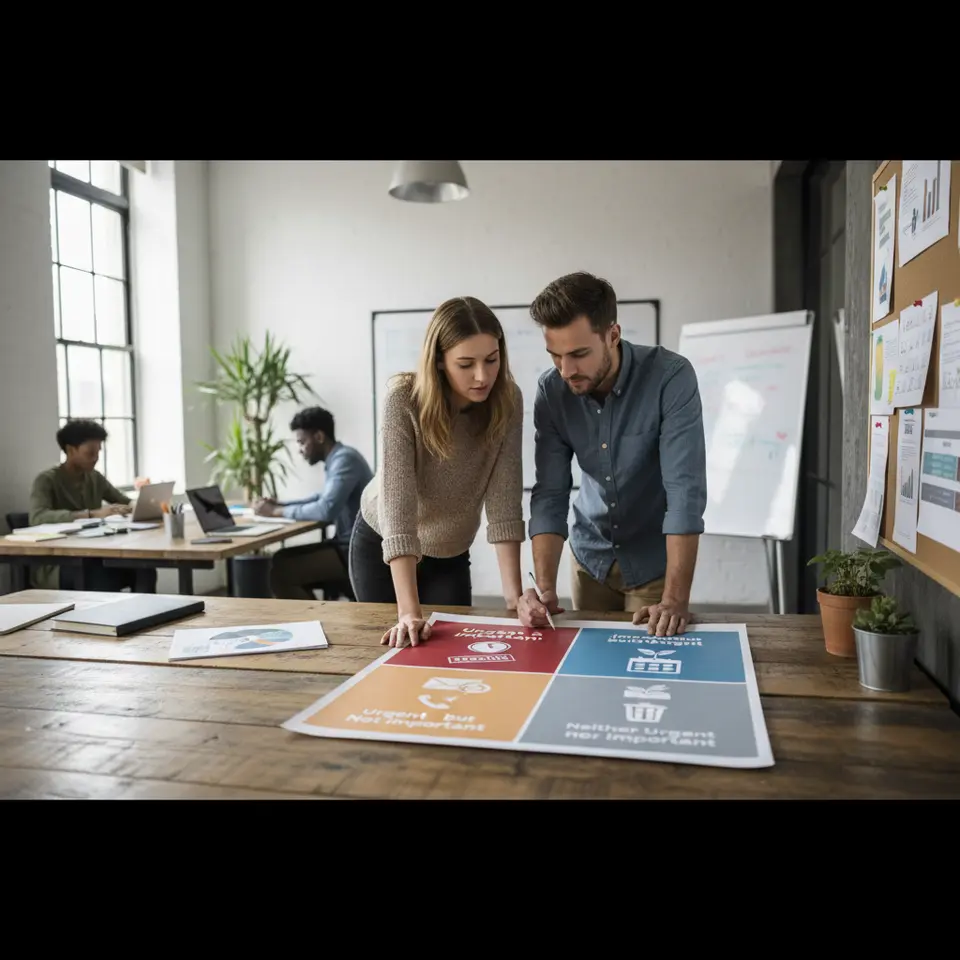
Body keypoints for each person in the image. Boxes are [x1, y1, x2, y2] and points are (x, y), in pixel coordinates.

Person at [516, 272, 707, 637]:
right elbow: (551, 493)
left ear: (613, 335)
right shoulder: (551, 390)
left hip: (653, 564)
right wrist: (543, 590)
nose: (566, 371)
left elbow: (685, 492)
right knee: (588, 667)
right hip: (588, 557)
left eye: (579, 354)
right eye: (555, 355)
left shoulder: (671, 378)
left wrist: (675, 600)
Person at [350, 296, 525, 648]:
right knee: (393, 649)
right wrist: (408, 612)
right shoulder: (403, 399)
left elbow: (504, 503)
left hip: (450, 550)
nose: (482, 376)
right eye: (466, 363)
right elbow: (398, 509)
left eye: (492, 360)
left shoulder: (508, 400)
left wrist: (514, 599)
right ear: (440, 362)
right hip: (385, 546)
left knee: (451, 652)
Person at [253, 406, 373, 600]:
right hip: (346, 545)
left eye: (302, 442)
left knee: (281, 572)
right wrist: (281, 504)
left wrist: (275, 511)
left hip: (354, 550)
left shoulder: (345, 460)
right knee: (280, 558)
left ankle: (315, 623)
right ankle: (315, 618)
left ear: (318, 436)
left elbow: (325, 510)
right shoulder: (338, 458)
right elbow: (321, 498)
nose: (300, 450)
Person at [28, 419, 156, 592]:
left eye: (98, 452)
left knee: (145, 569)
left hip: (93, 555)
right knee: (102, 577)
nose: (96, 458)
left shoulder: (94, 477)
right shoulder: (46, 480)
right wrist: (92, 514)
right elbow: (38, 517)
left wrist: (143, 505)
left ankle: (147, 617)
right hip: (59, 562)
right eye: (90, 453)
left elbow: (122, 499)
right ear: (70, 450)